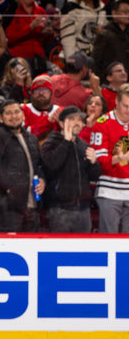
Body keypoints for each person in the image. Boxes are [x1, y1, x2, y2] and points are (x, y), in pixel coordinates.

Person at [0, 99, 44, 232]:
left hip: (32, 204)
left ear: (23, 115)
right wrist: (9, 187)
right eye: (8, 113)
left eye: (16, 112)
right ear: (1, 119)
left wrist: (42, 180)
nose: (14, 116)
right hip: (7, 207)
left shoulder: (31, 138)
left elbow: (38, 165)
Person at [40, 106, 101, 232]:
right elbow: (52, 166)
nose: (77, 123)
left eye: (80, 120)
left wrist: (94, 163)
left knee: (83, 250)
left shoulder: (84, 145)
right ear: (62, 123)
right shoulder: (50, 143)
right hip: (60, 209)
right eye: (72, 119)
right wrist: (66, 141)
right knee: (60, 250)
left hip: (83, 209)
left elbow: (94, 177)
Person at [86, 85, 129, 233]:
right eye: (126, 106)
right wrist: (119, 158)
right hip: (109, 191)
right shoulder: (102, 123)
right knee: (109, 239)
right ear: (117, 101)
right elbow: (97, 161)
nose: (128, 110)